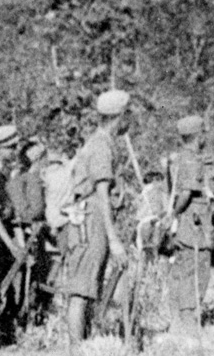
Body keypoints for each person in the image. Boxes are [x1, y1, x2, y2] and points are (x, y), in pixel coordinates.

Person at [65, 89, 130, 344]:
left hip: (95, 218)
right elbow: (102, 194)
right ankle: (75, 350)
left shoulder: (103, 142)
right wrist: (113, 240)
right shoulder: (101, 145)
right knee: (81, 291)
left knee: (90, 288)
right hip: (92, 219)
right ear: (120, 116)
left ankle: (85, 344)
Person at [163, 115, 212, 333]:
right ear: (198, 135)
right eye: (203, 133)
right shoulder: (191, 159)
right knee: (197, 266)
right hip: (193, 220)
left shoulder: (178, 158)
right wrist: (175, 212)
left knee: (182, 268)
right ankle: (188, 319)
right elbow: (185, 193)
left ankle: (178, 319)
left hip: (185, 220)